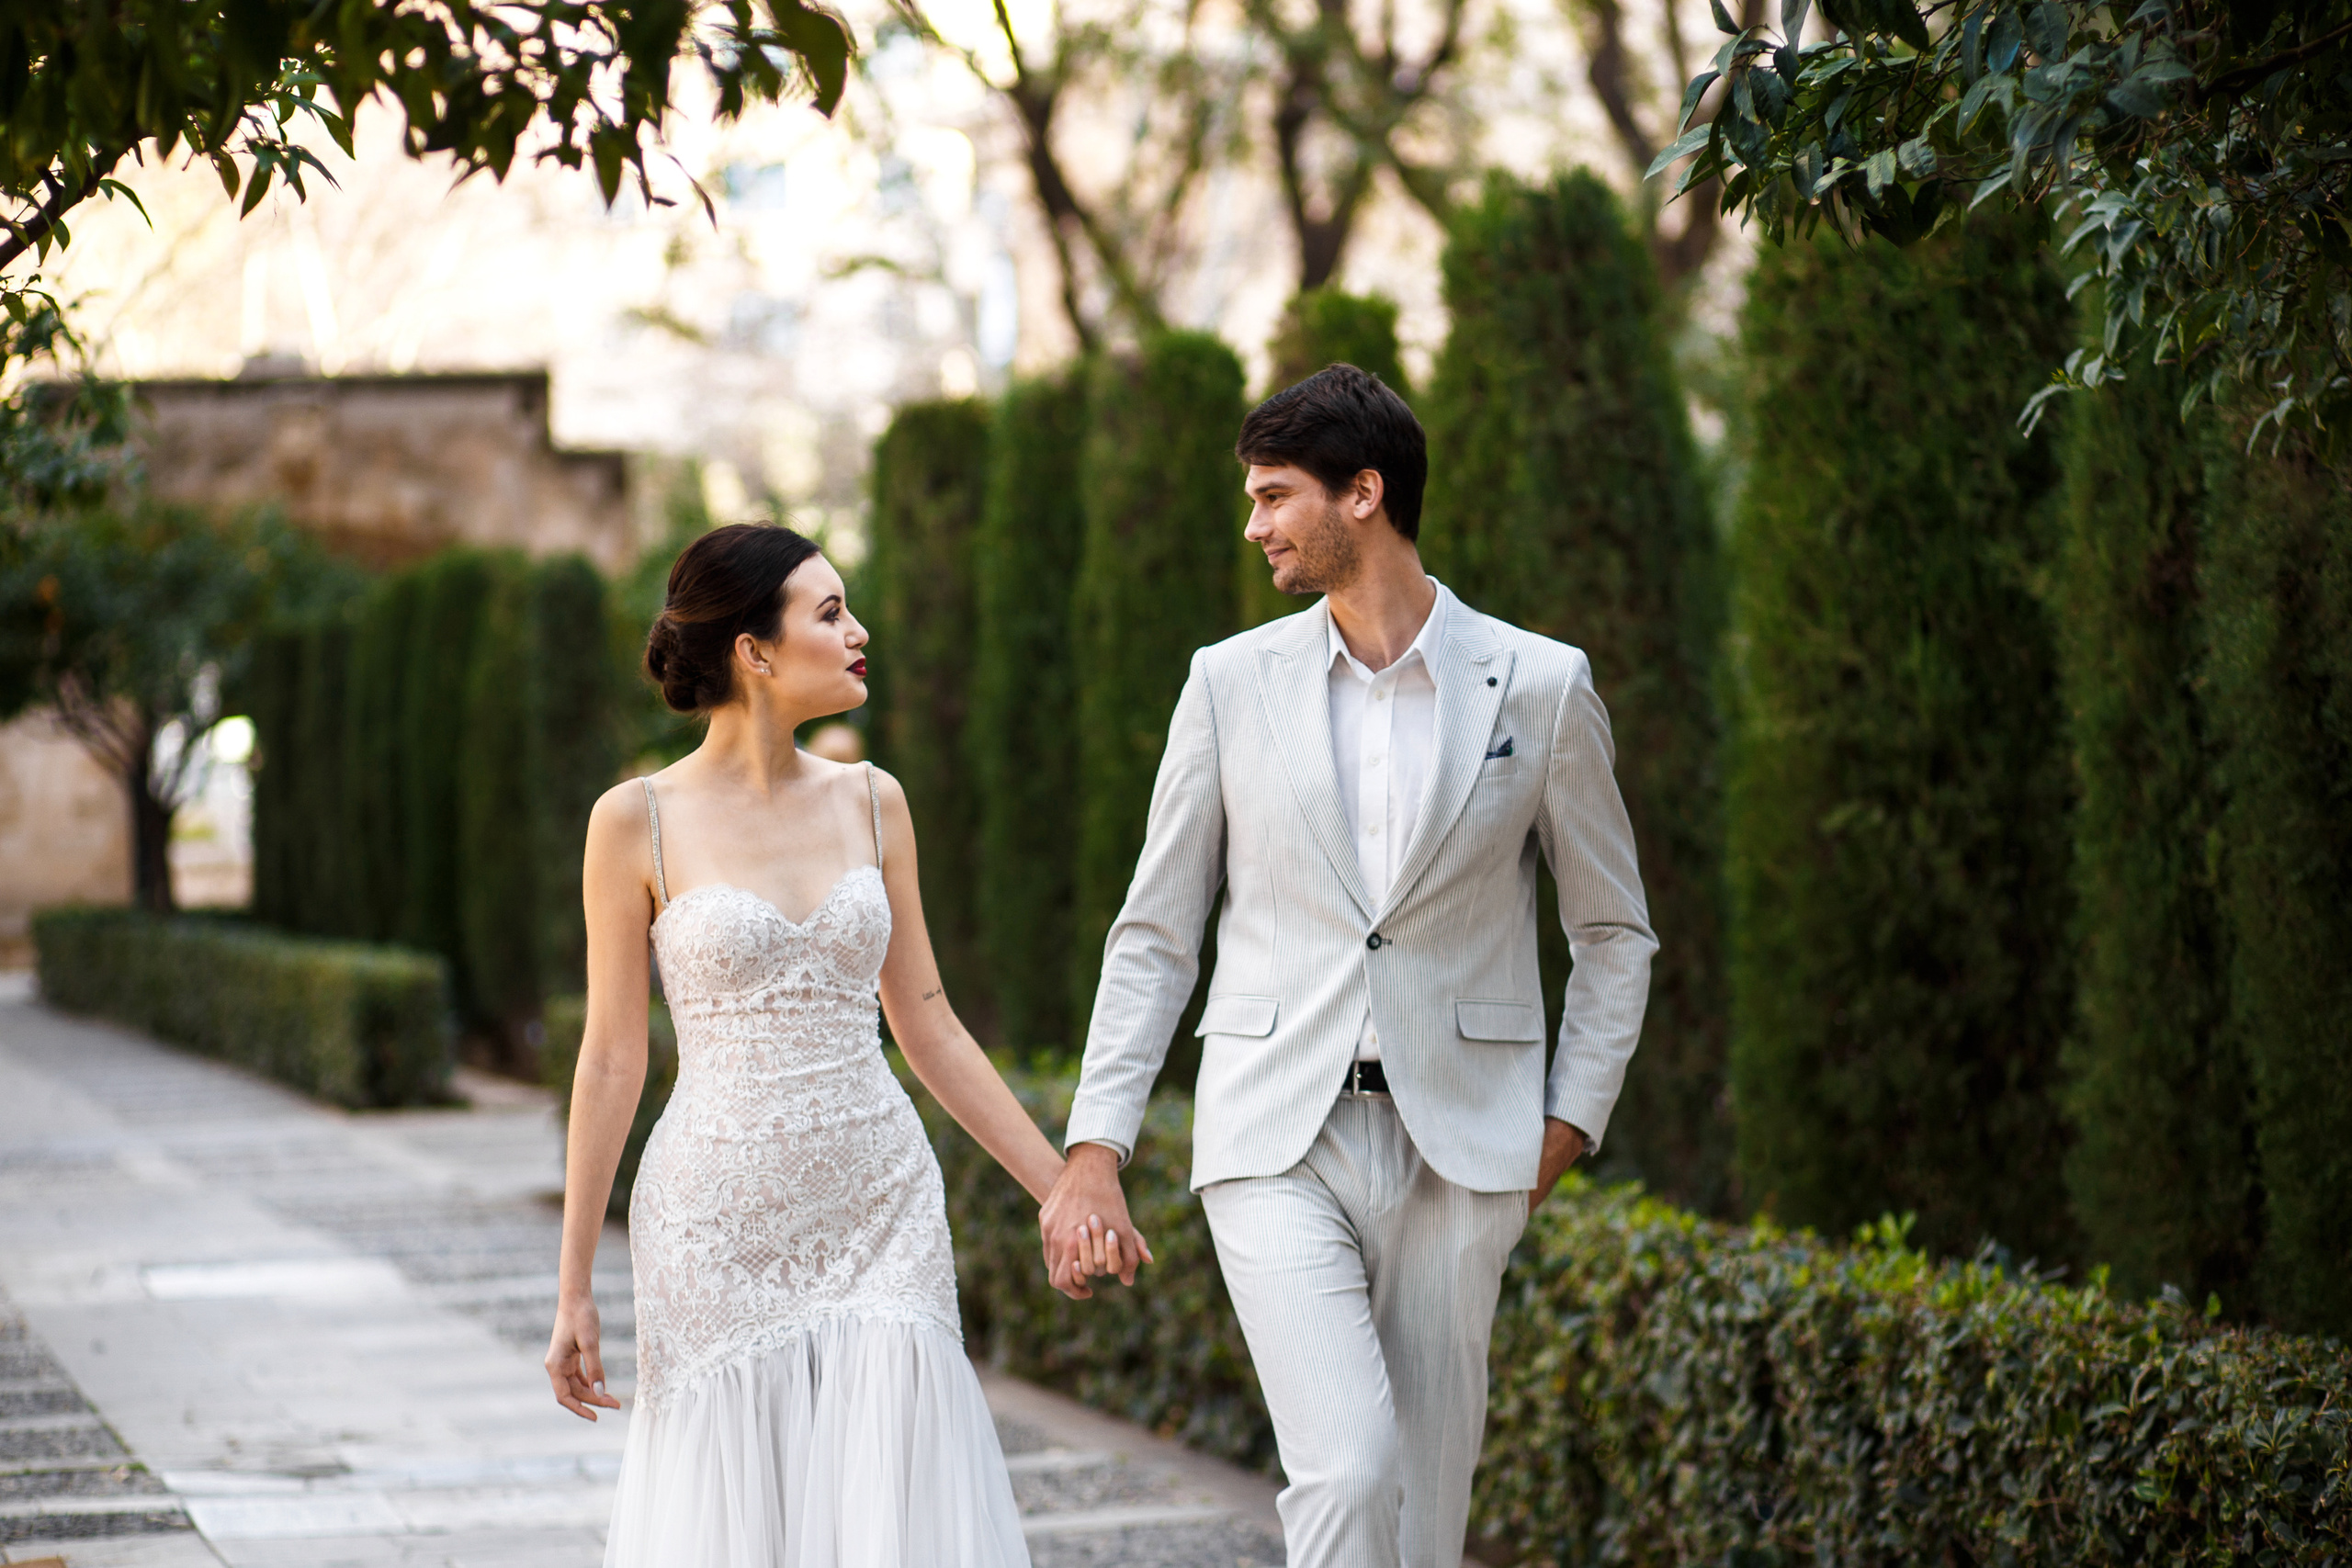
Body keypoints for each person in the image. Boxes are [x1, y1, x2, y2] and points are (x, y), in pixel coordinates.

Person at [1037, 365, 1656, 1567]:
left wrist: (1566, 1123)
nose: (1255, 523)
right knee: (1350, 1466)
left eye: (1275, 496)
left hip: (1465, 1148)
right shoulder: (1229, 681)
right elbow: (1157, 930)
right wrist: (1095, 1144)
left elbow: (1614, 933)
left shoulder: (1540, 682)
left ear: (1363, 492)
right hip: (1275, 1134)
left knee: (1423, 1516)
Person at [546, 524, 1124, 1567]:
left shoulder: (873, 800)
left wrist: (1060, 1190)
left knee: (897, 1506)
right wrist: (575, 1281)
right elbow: (612, 1058)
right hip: (713, 1225)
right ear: (752, 650)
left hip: (881, 1204)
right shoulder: (634, 821)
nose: (860, 632)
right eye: (829, 612)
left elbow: (930, 1023)